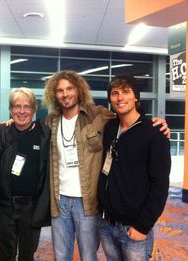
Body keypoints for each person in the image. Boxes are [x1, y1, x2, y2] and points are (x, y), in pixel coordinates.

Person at [42, 70, 169, 261]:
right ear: (54, 94)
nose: (65, 94)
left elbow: (129, 116)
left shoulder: (98, 116)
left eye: (69, 88)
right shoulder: (51, 121)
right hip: (61, 202)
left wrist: (157, 123)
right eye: (60, 90)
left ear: (79, 90)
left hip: (88, 203)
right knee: (60, 255)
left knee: (88, 255)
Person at [97, 75, 171, 260]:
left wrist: (142, 226)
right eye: (115, 93)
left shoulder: (154, 134)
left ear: (136, 97)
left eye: (126, 92)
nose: (120, 98)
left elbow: (160, 186)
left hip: (134, 228)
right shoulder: (110, 128)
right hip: (107, 224)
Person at [0, 87, 50, 261]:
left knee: (27, 256)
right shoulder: (1, 132)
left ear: (33, 109)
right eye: (17, 106)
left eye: (27, 106)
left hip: (31, 208)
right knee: (6, 255)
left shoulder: (45, 134)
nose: (22, 111)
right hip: (4, 206)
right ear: (10, 109)